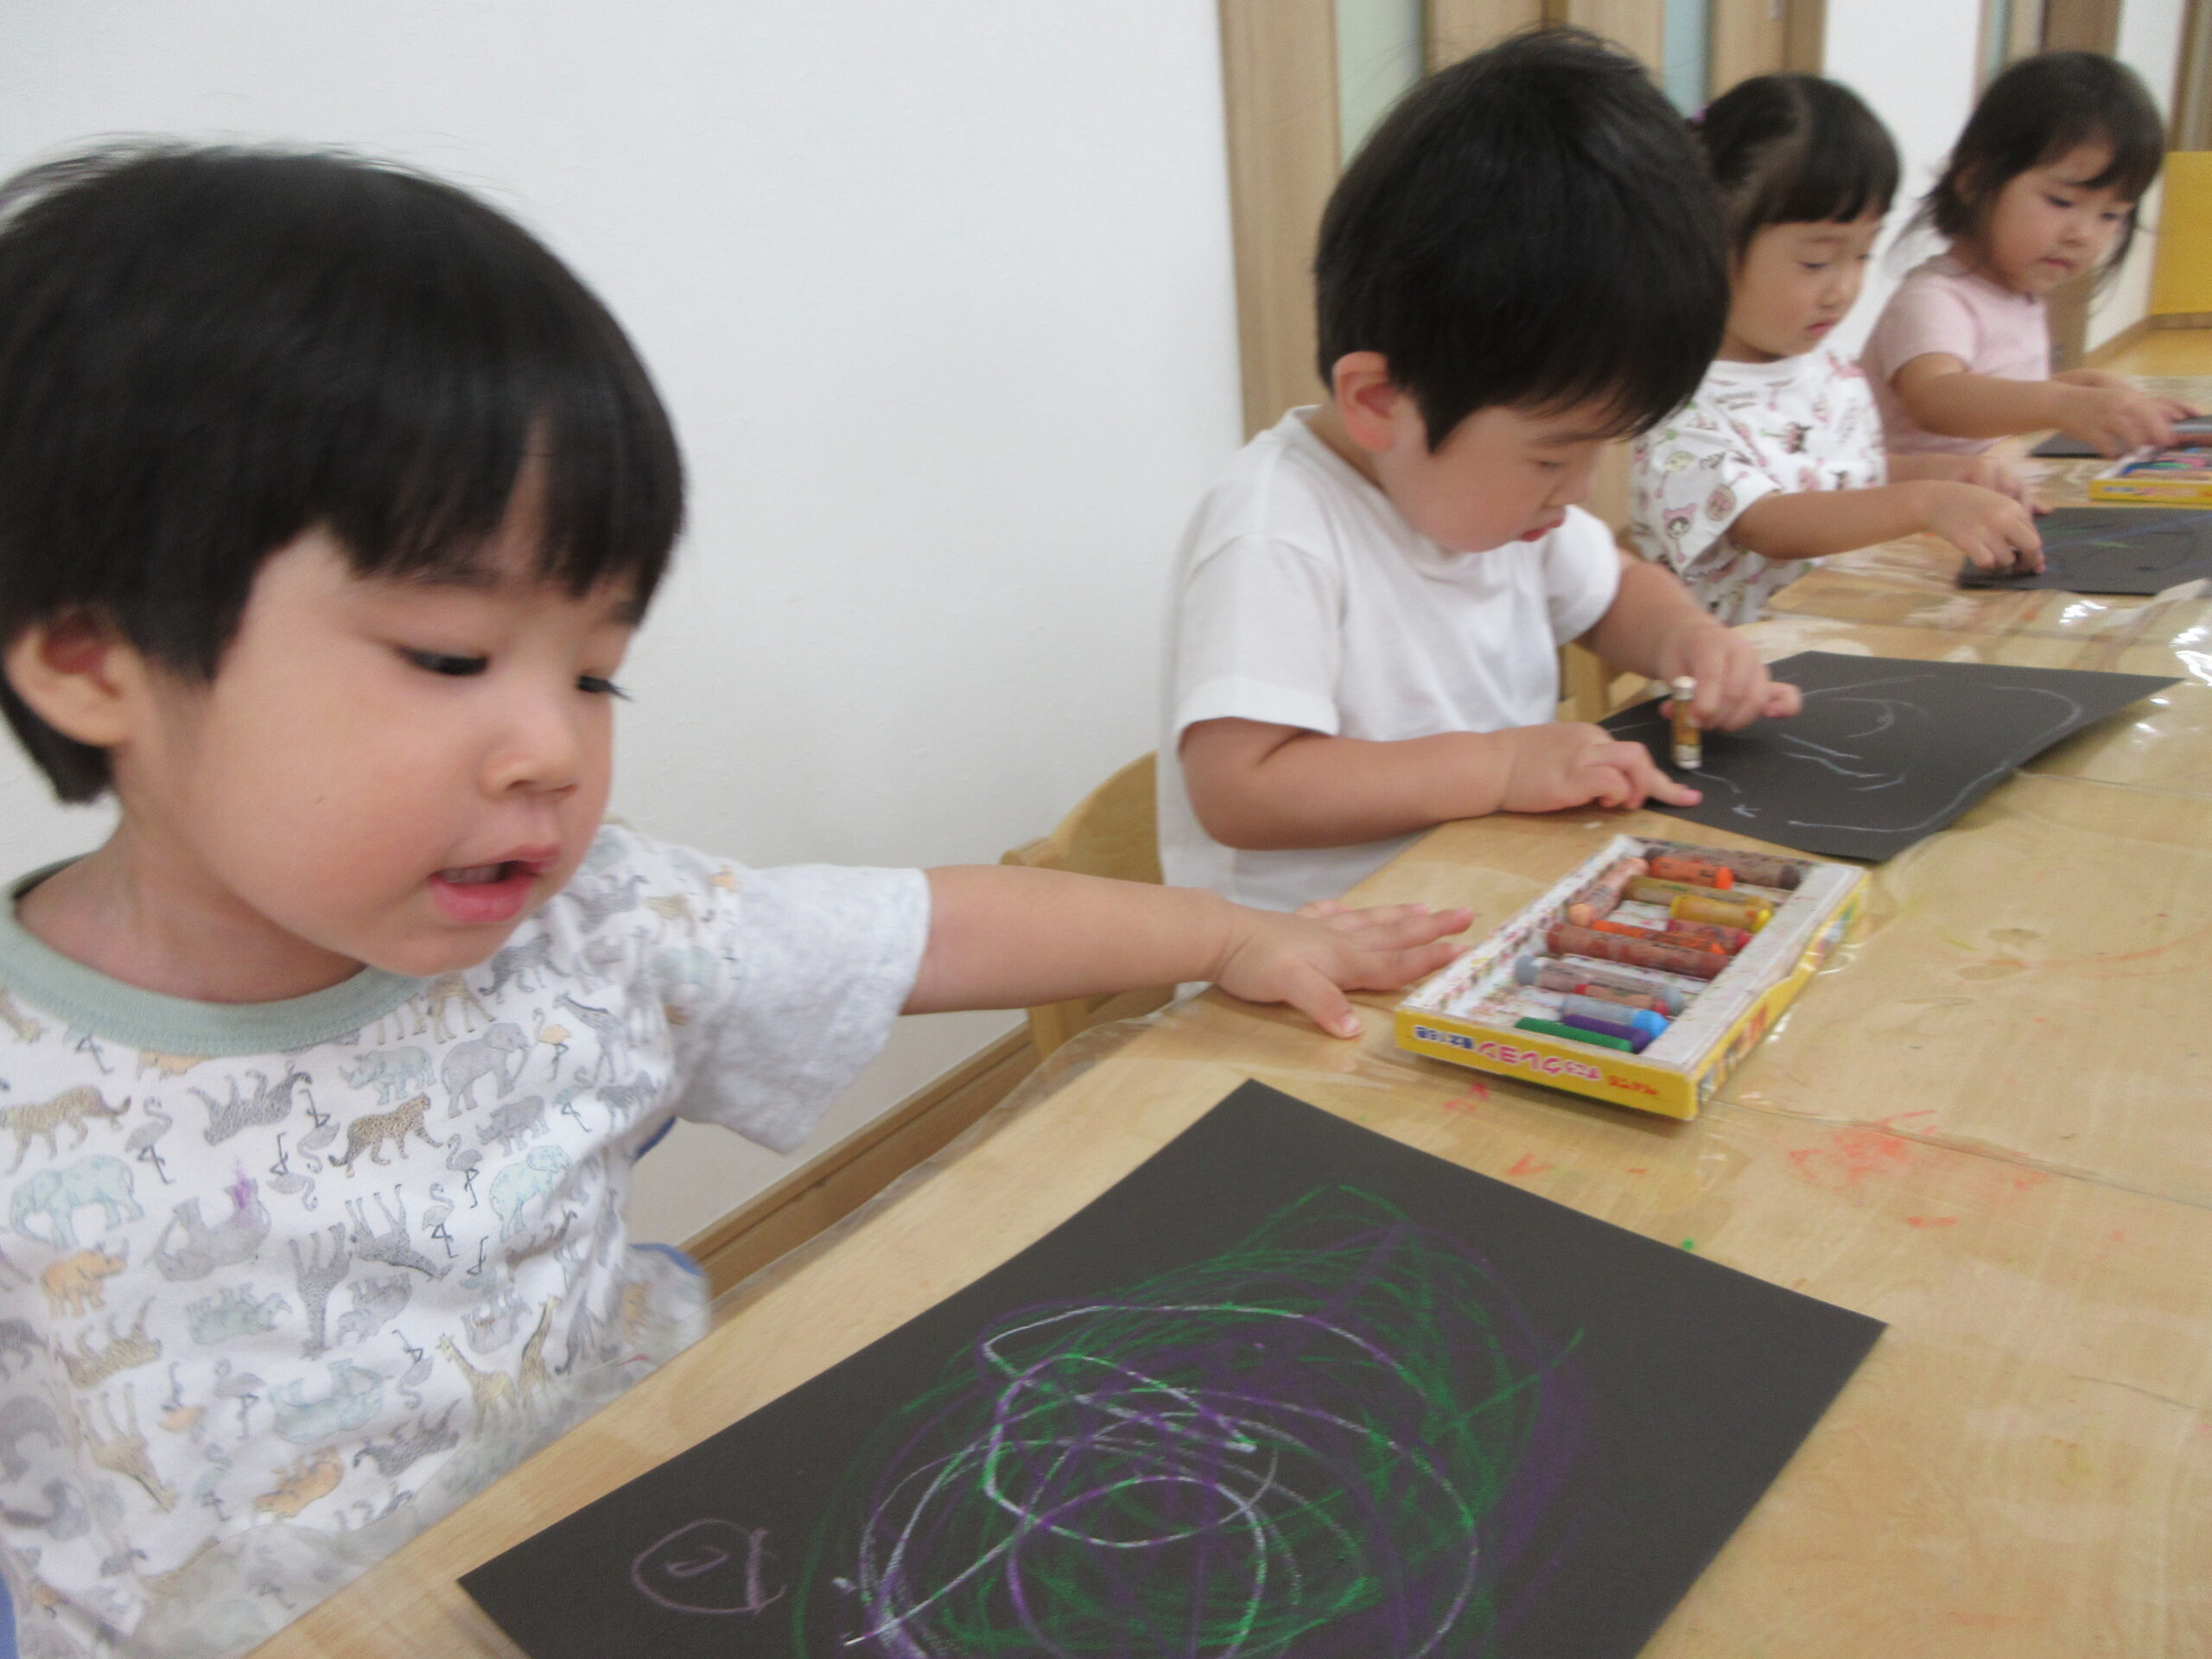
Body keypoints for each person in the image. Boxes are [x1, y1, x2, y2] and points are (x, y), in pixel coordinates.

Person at [0, 145, 1471, 1656]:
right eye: (448, 656)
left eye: (596, 673)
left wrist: (1232, 933)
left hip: (607, 1575)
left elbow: (930, 928)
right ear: (94, 659)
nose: (552, 749)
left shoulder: (593, 928)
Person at [1160, 29, 1801, 914]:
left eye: (1599, 450)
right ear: (1380, 402)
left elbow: (1612, 591)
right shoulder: (1277, 530)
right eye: (1554, 455)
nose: (1577, 489)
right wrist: (1496, 766)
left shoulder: (1501, 507)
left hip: (1487, 910)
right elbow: (1241, 788)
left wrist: (1687, 641)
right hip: (1314, 960)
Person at [1630, 74, 2044, 624]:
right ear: (1709, 242)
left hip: (1849, 630)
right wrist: (1926, 502)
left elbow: (1842, 476)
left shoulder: (1826, 364)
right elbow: (1770, 523)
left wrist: (1938, 473)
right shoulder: (1678, 403)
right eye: (1817, 262)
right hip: (1749, 664)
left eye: (1863, 255)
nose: (1844, 289)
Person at [1864, 50, 2196, 459]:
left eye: (2110, 215)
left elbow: (2005, 395)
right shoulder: (1934, 298)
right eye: (2061, 202)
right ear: (1974, 182)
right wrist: (2062, 403)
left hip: (1990, 487)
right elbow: (1936, 397)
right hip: (1922, 498)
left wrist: (2092, 391)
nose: (2082, 235)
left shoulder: (2017, 296)